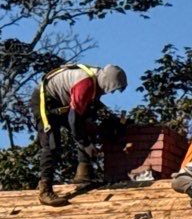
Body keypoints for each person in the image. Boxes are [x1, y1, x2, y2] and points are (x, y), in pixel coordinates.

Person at [35, 62, 128, 207]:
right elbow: (74, 120)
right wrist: (86, 144)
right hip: (45, 102)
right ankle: (45, 191)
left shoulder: (96, 80)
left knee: (87, 126)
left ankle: (83, 176)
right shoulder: (86, 84)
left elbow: (93, 111)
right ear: (107, 83)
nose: (111, 93)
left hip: (62, 103)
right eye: (112, 89)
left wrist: (115, 123)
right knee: (52, 145)